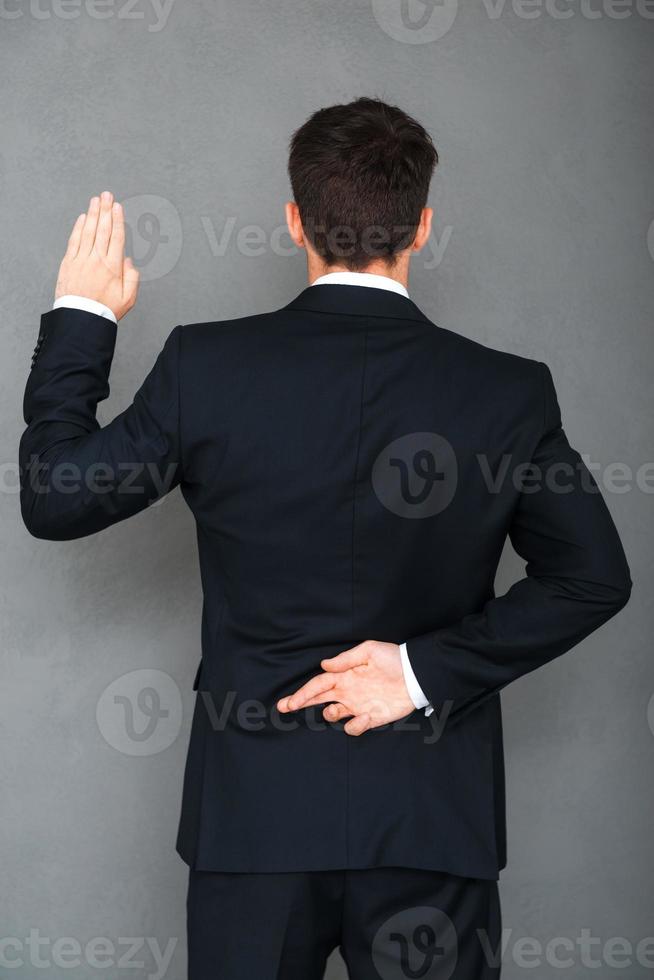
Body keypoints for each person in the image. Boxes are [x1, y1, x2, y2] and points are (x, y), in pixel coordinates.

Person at [19, 98, 631, 980]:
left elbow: (54, 497)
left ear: (294, 219)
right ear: (422, 226)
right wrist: (420, 673)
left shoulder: (207, 368)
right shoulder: (508, 392)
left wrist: (83, 314)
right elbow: (592, 579)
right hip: (432, 823)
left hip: (255, 824)